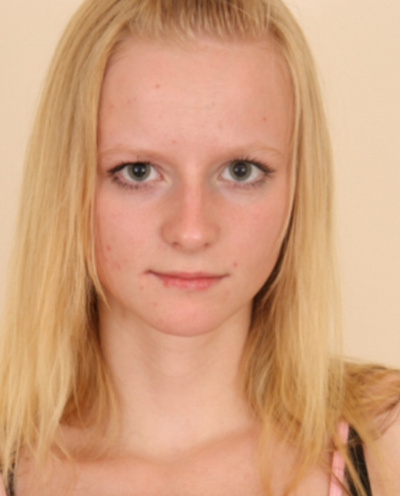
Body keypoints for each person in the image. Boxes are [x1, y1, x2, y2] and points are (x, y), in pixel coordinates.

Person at [0, 0, 399, 494]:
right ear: (68, 183)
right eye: (139, 172)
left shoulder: (387, 441)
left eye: (241, 171)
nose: (191, 231)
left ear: (299, 186)